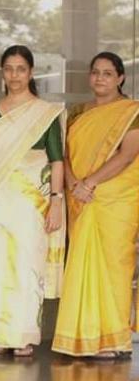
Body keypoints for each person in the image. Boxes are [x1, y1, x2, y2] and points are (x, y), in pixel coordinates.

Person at [0, 45, 65, 357]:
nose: (14, 75)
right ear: (3, 72)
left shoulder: (46, 113)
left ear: (31, 72)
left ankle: (23, 334)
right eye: (9, 69)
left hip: (31, 201)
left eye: (21, 69)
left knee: (27, 263)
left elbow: (57, 161)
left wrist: (56, 201)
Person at [52, 52, 139, 359]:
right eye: (95, 72)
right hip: (80, 198)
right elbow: (64, 155)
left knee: (114, 265)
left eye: (107, 73)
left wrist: (90, 183)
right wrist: (73, 182)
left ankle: (113, 339)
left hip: (115, 199)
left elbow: (127, 155)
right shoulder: (77, 112)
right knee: (81, 264)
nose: (100, 78)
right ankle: (84, 336)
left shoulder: (132, 111)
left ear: (120, 78)